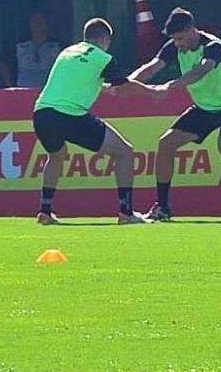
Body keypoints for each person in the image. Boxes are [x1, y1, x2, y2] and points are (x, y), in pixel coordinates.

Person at [32, 17, 166, 226]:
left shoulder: (67, 52)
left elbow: (77, 82)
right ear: (105, 40)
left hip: (41, 114)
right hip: (69, 115)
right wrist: (152, 92)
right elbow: (123, 87)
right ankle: (126, 212)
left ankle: (45, 211)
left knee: (57, 156)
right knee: (125, 152)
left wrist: (104, 88)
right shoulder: (103, 58)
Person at [129, 7, 221, 223]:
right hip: (204, 108)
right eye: (174, 40)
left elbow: (201, 71)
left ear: (191, 30)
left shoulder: (213, 46)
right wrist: (125, 83)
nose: (177, 44)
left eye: (180, 38)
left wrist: (169, 86)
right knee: (166, 143)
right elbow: (150, 68)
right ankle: (163, 207)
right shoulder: (174, 47)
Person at [2, 10, 61, 88]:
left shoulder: (57, 47)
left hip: (48, 93)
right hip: (23, 93)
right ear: (29, 23)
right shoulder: (19, 46)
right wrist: (11, 87)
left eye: (41, 19)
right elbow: (3, 64)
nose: (38, 23)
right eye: (34, 20)